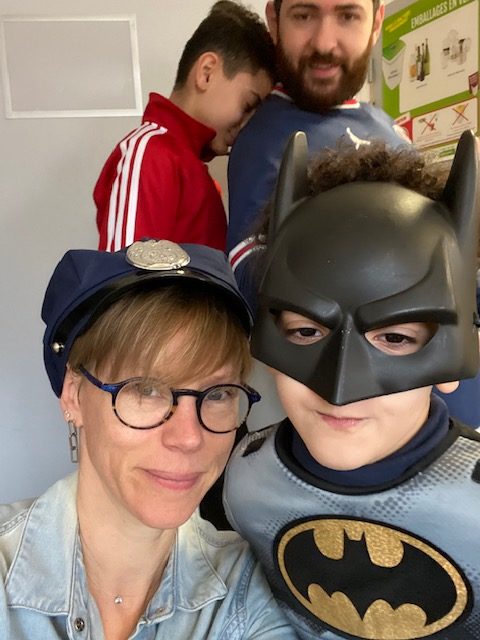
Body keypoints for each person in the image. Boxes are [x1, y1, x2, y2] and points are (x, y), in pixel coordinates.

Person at [224, 130, 480, 639]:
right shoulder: (245, 481)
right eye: (306, 332)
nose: (340, 388)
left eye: (395, 338)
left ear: (453, 360)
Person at [0, 238, 298, 640]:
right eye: (146, 390)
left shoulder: (248, 592)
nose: (189, 438)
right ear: (74, 395)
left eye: (218, 395)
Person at [227, 0, 410, 307]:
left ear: (377, 23)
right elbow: (252, 278)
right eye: (303, 16)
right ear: (274, 21)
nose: (324, 43)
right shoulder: (261, 139)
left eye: (348, 16)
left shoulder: (390, 128)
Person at [95, 0, 275, 253]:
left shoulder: (191, 170)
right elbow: (124, 273)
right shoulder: (148, 153)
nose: (246, 125)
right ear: (206, 72)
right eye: (248, 105)